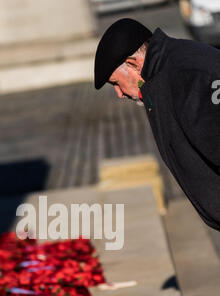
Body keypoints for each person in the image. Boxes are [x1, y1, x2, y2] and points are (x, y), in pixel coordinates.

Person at [94, 18, 220, 231]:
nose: (119, 93)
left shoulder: (187, 75)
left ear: (133, 63)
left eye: (116, 83)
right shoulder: (164, 71)